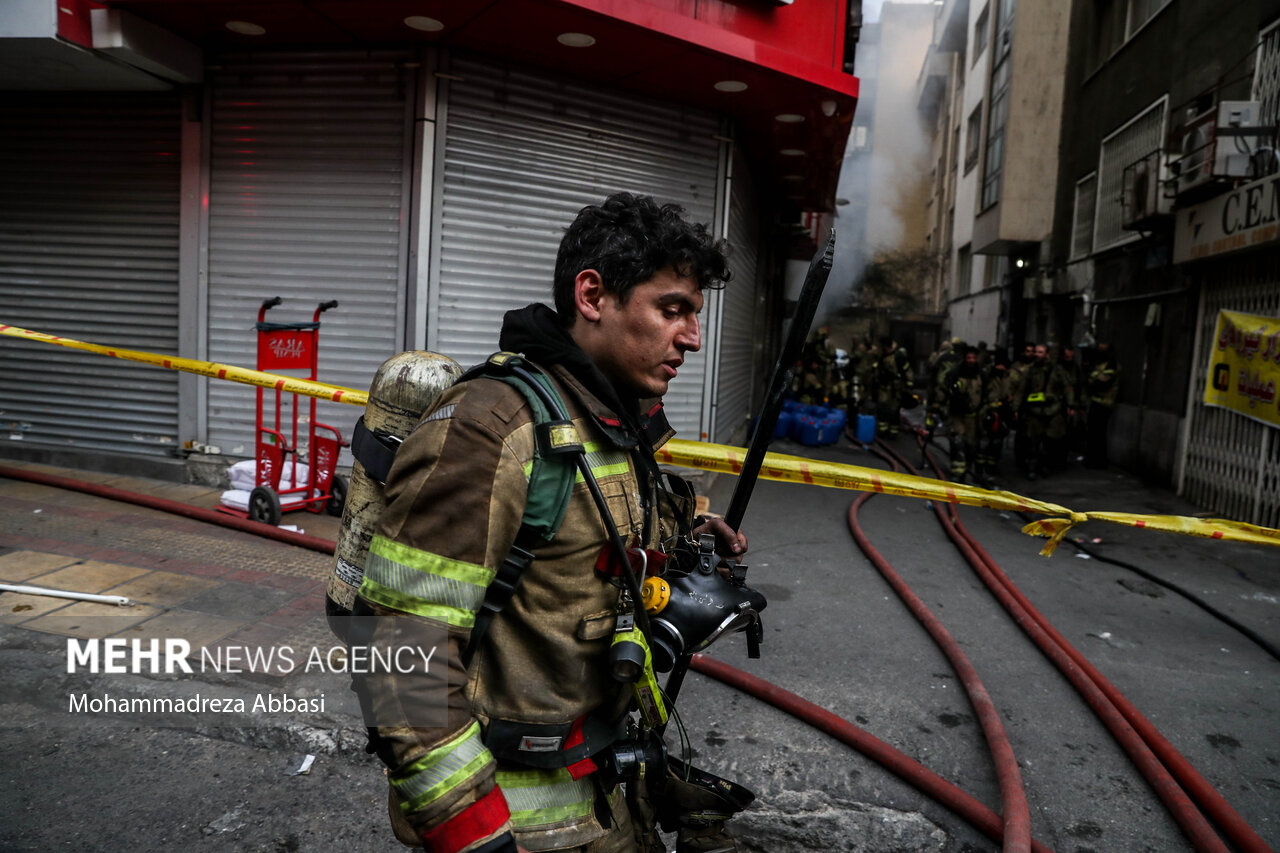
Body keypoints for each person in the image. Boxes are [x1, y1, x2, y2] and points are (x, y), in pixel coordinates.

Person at [351, 193, 751, 853]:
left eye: (695, 314)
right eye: (672, 309)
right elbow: (402, 650)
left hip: (606, 801)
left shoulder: (608, 420)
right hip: (519, 828)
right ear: (592, 295)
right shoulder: (493, 427)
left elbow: (594, 533)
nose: (693, 337)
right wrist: (478, 838)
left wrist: (688, 536)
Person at [1012, 343, 1072, 480]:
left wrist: (1071, 405)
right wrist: (1016, 408)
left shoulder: (1057, 371)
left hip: (1053, 410)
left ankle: (1044, 465)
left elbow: (1067, 388)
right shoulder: (1030, 371)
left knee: (1051, 440)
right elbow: (1021, 390)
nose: (1036, 355)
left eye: (1040, 352)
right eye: (1036, 352)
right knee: (1032, 441)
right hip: (1034, 411)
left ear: (1047, 354)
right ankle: (1032, 468)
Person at [938, 345, 985, 483]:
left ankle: (967, 469)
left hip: (973, 416)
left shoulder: (981, 375)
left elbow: (987, 393)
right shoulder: (954, 373)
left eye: (973, 358)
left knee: (970, 445)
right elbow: (943, 388)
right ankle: (957, 473)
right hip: (957, 414)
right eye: (968, 357)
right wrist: (939, 405)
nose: (971, 360)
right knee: (957, 442)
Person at [1085, 341, 1121, 468]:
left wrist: (1092, 382)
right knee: (1093, 431)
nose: (1100, 352)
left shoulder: (1111, 364)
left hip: (1104, 402)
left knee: (1098, 432)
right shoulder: (1100, 364)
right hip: (1097, 401)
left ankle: (1098, 460)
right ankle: (1093, 459)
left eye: (1103, 350)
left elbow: (1101, 384)